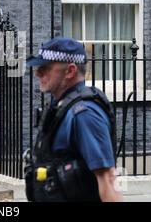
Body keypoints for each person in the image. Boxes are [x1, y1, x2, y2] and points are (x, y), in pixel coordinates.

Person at [24, 37, 122, 202]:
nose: (37, 72)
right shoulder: (61, 107)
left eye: (45, 67)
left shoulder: (85, 114)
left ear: (70, 71)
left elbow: (107, 181)